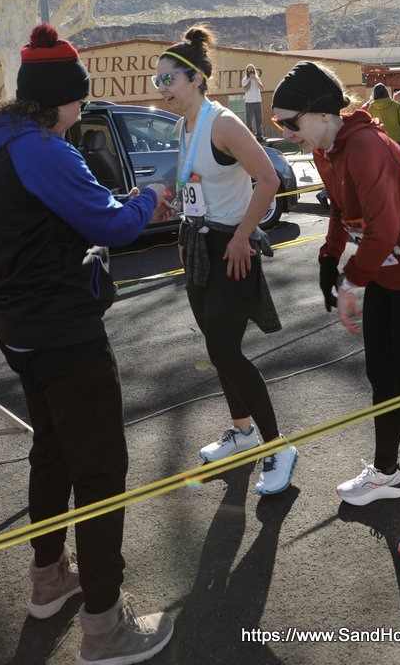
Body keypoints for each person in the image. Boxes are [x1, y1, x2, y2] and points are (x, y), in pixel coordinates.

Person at [0, 24, 174, 665]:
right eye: (79, 97)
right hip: (64, 334)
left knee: (53, 453)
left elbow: (62, 215)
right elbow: (109, 223)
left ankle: (49, 580)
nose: (82, 108)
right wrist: (148, 198)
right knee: (101, 469)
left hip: (20, 331)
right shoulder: (44, 149)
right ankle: (106, 626)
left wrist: (123, 205)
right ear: (60, 98)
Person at [272, 61, 400, 567]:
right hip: (384, 276)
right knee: (382, 379)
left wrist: (349, 282)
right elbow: (342, 211)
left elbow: (383, 231)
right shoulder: (325, 149)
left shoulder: (365, 146)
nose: (286, 133)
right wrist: (327, 257)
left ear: (321, 113)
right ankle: (386, 473)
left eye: (289, 122)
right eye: (279, 124)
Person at [153, 25, 298, 495]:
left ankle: (278, 446)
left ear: (196, 78)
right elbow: (198, 186)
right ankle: (243, 432)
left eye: (168, 79)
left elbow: (269, 179)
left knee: (225, 351)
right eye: (157, 80)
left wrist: (240, 237)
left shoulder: (224, 123)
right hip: (198, 247)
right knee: (218, 350)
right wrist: (178, 216)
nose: (161, 88)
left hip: (232, 250)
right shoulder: (185, 126)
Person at [367, 83, 400, 147]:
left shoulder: (371, 108)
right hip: (398, 139)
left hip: (381, 140)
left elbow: (370, 125)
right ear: (386, 92)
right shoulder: (396, 106)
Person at [242, 63, 264, 139]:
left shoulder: (257, 79)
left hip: (258, 101)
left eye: (252, 69)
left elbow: (262, 88)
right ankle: (250, 135)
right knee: (249, 120)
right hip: (249, 103)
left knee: (259, 119)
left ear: (254, 70)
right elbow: (246, 89)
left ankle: (259, 135)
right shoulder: (244, 80)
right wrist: (250, 80)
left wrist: (255, 79)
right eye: (249, 69)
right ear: (247, 71)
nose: (251, 70)